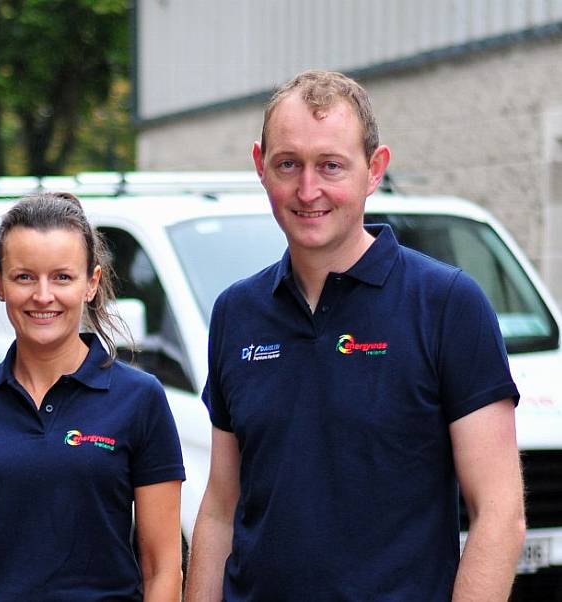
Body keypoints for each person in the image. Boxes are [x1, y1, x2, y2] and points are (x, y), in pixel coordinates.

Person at [183, 69, 526, 601]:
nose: (308, 190)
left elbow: (499, 512)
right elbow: (221, 509)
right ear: (260, 166)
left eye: (331, 166)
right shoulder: (237, 312)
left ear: (375, 170)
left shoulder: (446, 304)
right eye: (288, 164)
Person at [0, 192, 186, 601]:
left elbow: (163, 568)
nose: (43, 296)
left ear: (91, 283)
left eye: (62, 277)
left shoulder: (140, 400)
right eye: (25, 277)